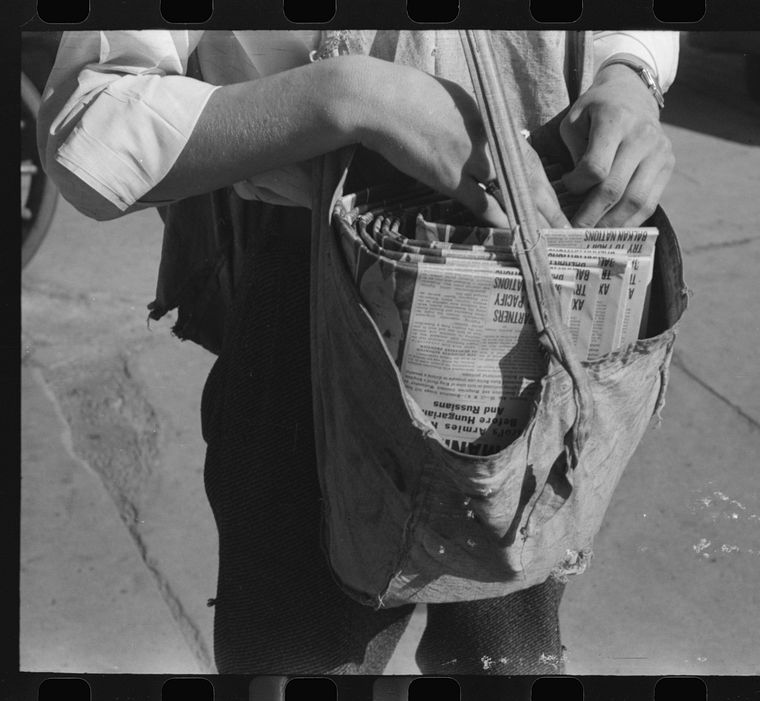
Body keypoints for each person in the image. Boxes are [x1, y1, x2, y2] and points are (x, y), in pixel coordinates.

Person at [39, 29, 679, 675]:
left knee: (510, 651)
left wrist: (627, 73)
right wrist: (354, 95)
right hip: (317, 298)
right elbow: (90, 131)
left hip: (547, 276)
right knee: (301, 653)